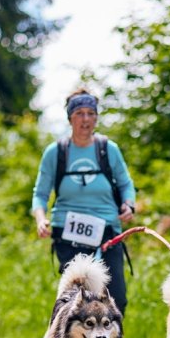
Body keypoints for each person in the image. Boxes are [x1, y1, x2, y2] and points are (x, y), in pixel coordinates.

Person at [32, 88, 136, 316]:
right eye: (79, 113)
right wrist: (41, 219)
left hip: (108, 228)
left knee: (116, 296)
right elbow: (40, 194)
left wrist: (128, 205)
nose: (86, 119)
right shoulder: (56, 152)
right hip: (68, 230)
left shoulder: (108, 149)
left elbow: (126, 184)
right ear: (70, 118)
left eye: (91, 113)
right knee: (77, 297)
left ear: (96, 117)